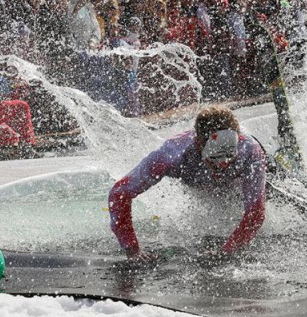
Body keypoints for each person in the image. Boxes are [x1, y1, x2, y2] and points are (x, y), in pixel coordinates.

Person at [109, 105, 266, 261]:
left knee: (268, 189)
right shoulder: (171, 156)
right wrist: (132, 249)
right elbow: (120, 193)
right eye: (215, 158)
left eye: (229, 158)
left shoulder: (250, 151)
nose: (222, 166)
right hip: (198, 179)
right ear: (198, 143)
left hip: (238, 183)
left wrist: (226, 251)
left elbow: (256, 213)